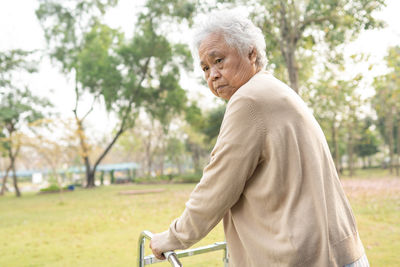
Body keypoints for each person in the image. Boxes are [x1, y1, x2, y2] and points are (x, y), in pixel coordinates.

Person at [149, 10, 369, 267]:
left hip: (303, 258)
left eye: (219, 60)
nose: (213, 75)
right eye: (206, 68)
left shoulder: (249, 100)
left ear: (251, 53)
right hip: (339, 253)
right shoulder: (274, 90)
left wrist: (172, 237)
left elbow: (217, 186)